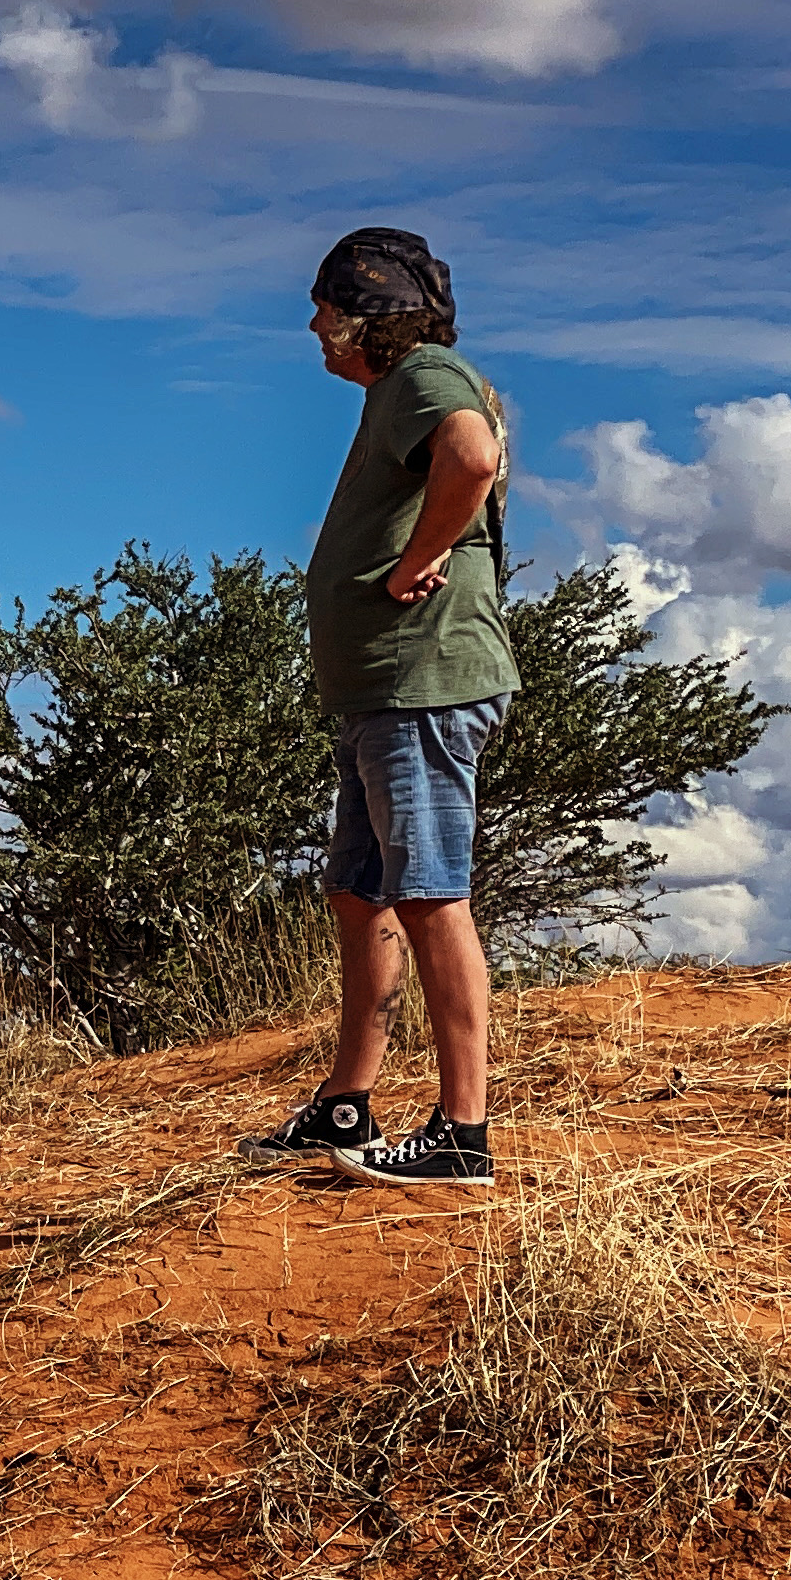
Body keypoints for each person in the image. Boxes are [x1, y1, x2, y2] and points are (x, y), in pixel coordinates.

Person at [240, 228, 517, 1190]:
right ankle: (348, 1104)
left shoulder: (423, 376)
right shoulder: (402, 388)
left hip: (421, 684)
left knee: (430, 891)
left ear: (370, 319)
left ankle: (462, 1134)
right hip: (385, 691)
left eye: (327, 307)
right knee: (362, 892)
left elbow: (471, 457)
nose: (316, 326)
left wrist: (416, 562)